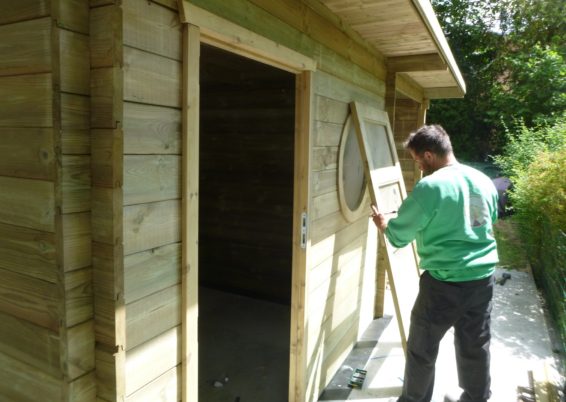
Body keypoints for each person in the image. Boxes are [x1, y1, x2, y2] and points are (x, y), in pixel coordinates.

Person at [370, 125, 499, 402]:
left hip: (443, 284)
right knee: (475, 345)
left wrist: (385, 225)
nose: (418, 168)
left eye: (417, 161)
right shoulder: (481, 180)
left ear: (428, 155)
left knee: (422, 348)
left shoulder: (430, 186)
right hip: (481, 280)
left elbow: (400, 235)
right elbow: (482, 223)